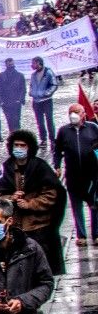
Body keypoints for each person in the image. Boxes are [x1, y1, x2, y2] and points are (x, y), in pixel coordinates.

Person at [0, 128, 67, 276]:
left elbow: (52, 195)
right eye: (16, 145)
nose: (19, 149)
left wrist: (30, 203)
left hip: (39, 227)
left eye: (22, 145)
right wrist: (11, 198)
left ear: (29, 147)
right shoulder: (6, 168)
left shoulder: (40, 167)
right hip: (14, 228)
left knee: (41, 269)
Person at [54, 103, 98, 244]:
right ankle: (81, 236)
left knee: (94, 204)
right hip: (73, 175)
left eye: (77, 111)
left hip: (91, 175)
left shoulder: (93, 128)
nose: (74, 114)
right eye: (71, 112)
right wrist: (57, 166)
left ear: (83, 113)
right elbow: (57, 151)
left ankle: (96, 234)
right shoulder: (63, 131)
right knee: (76, 205)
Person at [28, 55, 59, 143]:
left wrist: (47, 93)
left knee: (49, 120)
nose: (32, 65)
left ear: (38, 63)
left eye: (33, 63)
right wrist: (31, 92)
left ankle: (52, 139)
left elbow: (54, 85)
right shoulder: (33, 75)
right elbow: (31, 85)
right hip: (36, 101)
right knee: (40, 122)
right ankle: (43, 139)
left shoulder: (48, 72)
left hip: (47, 101)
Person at [0, 58, 27, 133]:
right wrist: (1, 101)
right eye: (9, 64)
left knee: (16, 120)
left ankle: (18, 137)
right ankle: (12, 136)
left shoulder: (20, 75)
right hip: (6, 102)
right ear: (6, 64)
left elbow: (23, 89)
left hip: (16, 102)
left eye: (12, 63)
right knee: (9, 121)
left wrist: (20, 100)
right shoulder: (1, 76)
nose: (11, 65)